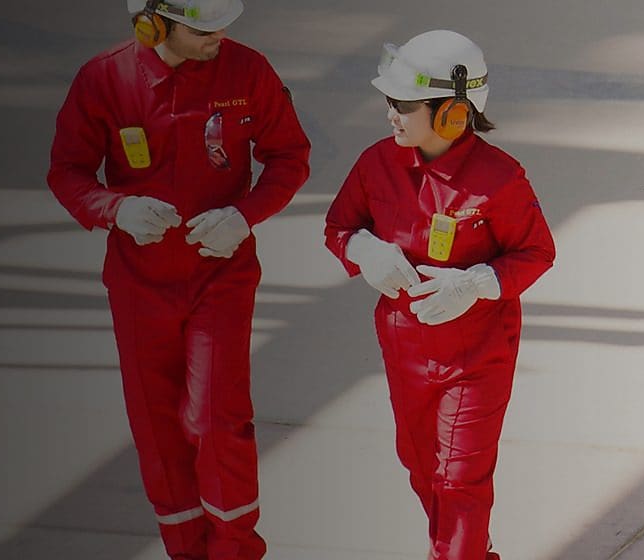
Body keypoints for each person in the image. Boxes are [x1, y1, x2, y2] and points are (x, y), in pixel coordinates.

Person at [46, 0, 311, 558]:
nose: (220, 35)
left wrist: (244, 215)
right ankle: (185, 550)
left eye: (224, 23)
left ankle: (235, 550)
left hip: (221, 275)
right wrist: (116, 209)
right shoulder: (104, 79)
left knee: (216, 417)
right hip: (139, 283)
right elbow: (68, 171)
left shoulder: (247, 71)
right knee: (156, 424)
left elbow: (289, 156)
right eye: (204, 28)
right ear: (153, 25)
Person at [324, 29, 555, 560]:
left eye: (403, 106)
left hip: (477, 358)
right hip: (404, 349)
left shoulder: (499, 179)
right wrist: (363, 249)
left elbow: (536, 252)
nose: (390, 115)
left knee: (459, 481)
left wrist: (474, 284)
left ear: (452, 113)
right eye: (390, 102)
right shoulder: (376, 163)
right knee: (421, 467)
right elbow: (339, 226)